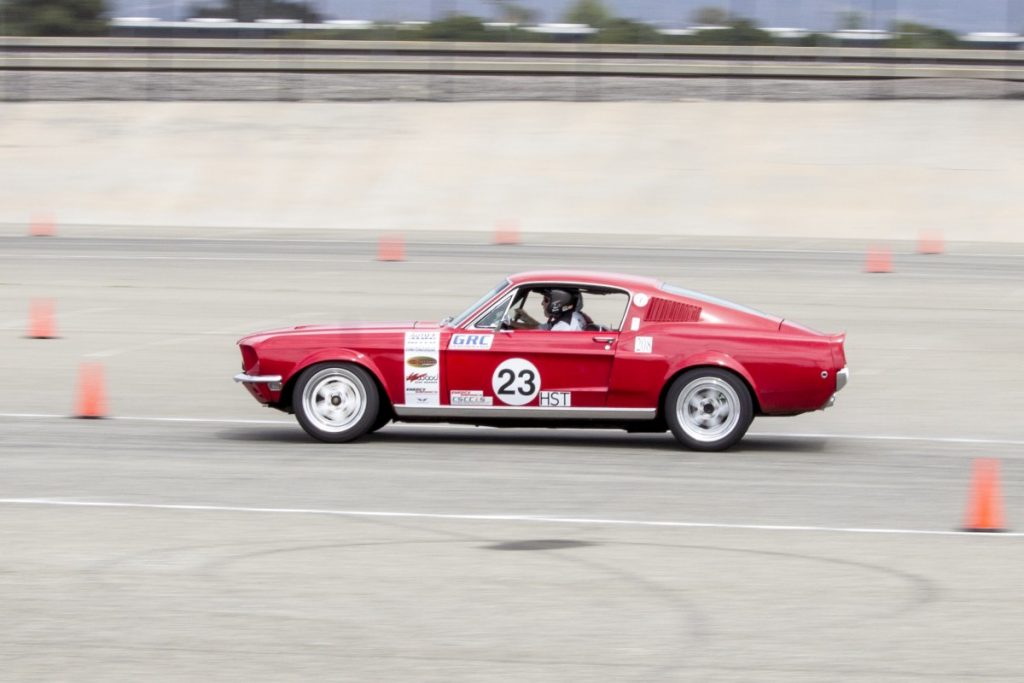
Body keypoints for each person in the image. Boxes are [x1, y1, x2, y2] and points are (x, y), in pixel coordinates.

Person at [511, 289, 586, 331]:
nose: (542, 303)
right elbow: (540, 328)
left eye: (546, 300)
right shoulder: (571, 315)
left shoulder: (562, 327)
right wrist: (526, 318)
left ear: (557, 303)